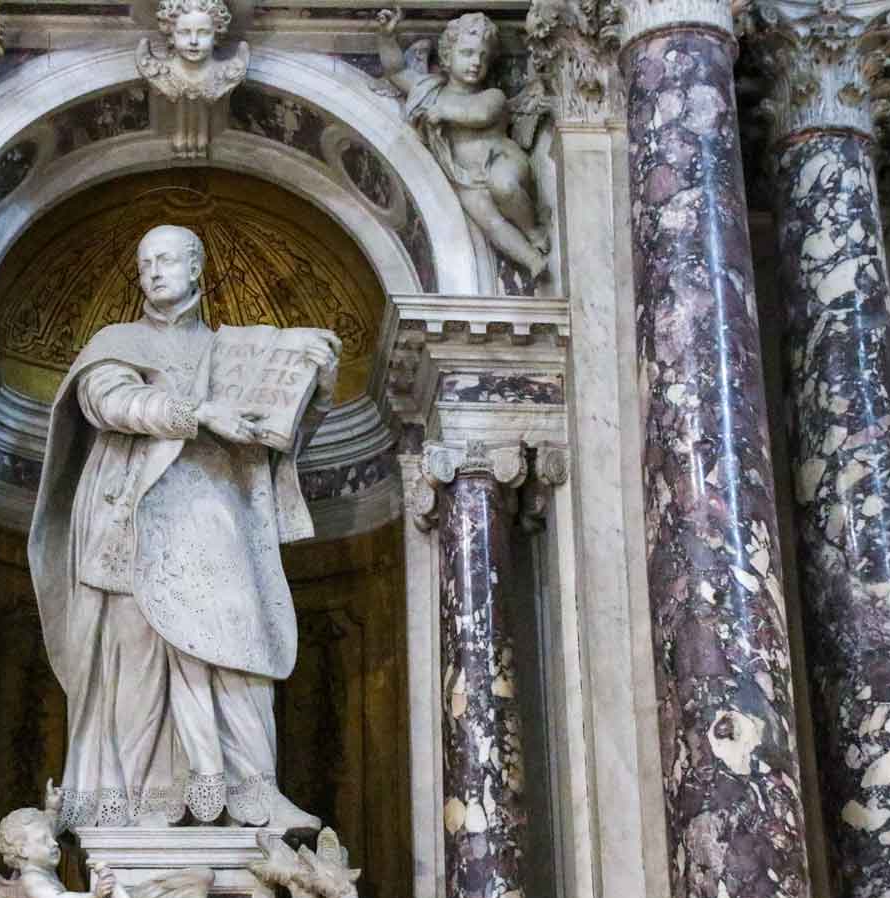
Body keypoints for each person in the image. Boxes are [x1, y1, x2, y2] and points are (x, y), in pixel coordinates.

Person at [28, 224, 337, 831]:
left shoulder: (237, 350)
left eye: (167, 260)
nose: (154, 271)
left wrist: (317, 387)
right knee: (136, 665)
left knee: (238, 648)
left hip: (215, 513)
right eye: (145, 263)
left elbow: (278, 432)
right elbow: (108, 402)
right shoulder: (117, 341)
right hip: (129, 519)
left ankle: (252, 791)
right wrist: (197, 414)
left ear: (197, 267)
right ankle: (135, 808)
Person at [377, 8, 548, 278]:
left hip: (500, 160)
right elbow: (396, 71)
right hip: (464, 177)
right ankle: (531, 259)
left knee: (503, 185)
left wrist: (444, 113)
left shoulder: (493, 96)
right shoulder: (430, 91)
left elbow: (480, 115)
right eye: (467, 53)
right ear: (447, 56)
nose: (476, 62)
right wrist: (387, 37)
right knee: (491, 223)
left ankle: (533, 229)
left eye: (483, 56)